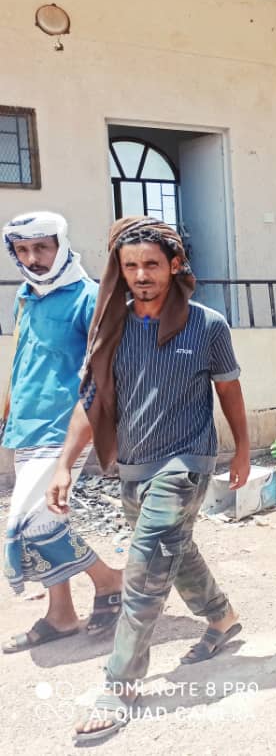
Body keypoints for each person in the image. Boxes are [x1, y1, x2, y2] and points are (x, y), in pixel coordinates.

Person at [46, 217, 251, 744]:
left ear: (175, 265)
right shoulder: (111, 328)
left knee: (142, 574)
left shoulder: (207, 325)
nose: (141, 275)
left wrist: (242, 449)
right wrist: (65, 463)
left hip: (186, 463)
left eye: (152, 264)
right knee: (174, 550)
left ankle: (120, 686)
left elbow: (229, 391)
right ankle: (222, 618)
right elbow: (91, 402)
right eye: (131, 265)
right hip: (133, 467)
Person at [1, 212, 124, 653]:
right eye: (22, 250)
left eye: (42, 247)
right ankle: (62, 614)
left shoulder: (88, 297)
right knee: (50, 519)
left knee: (30, 524)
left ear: (61, 245)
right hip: (25, 426)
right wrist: (7, 410)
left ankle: (109, 579)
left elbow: (101, 374)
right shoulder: (26, 296)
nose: (33, 258)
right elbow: (22, 360)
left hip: (62, 426)